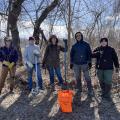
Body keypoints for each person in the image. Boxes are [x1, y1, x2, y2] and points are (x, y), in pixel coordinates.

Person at [70, 32, 93, 98]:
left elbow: (89, 54)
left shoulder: (86, 44)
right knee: (77, 77)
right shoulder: (74, 46)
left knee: (87, 77)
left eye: (79, 35)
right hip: (76, 64)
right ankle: (79, 89)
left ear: (82, 36)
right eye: (77, 36)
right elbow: (71, 55)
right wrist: (71, 63)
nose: (78, 37)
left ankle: (90, 90)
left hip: (84, 64)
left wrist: (89, 62)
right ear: (76, 37)